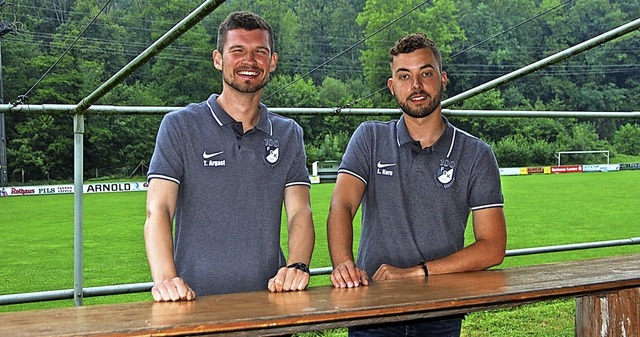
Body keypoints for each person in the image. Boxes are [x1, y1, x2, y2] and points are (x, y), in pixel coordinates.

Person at [327, 33, 507, 336]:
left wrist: (416, 273)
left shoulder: (476, 154)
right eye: (404, 76)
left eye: (425, 73)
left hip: (441, 311)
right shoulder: (369, 138)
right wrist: (344, 264)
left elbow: (493, 246)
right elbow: (341, 206)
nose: (416, 85)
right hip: (374, 309)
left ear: (442, 78)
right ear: (392, 86)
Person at [144, 11, 315, 302]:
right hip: (193, 303)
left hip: (270, 304)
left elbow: (300, 211)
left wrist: (296, 265)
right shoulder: (180, 125)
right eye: (237, 51)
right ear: (218, 59)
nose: (249, 61)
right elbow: (158, 209)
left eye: (259, 52)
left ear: (272, 62)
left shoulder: (288, 134)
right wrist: (166, 278)